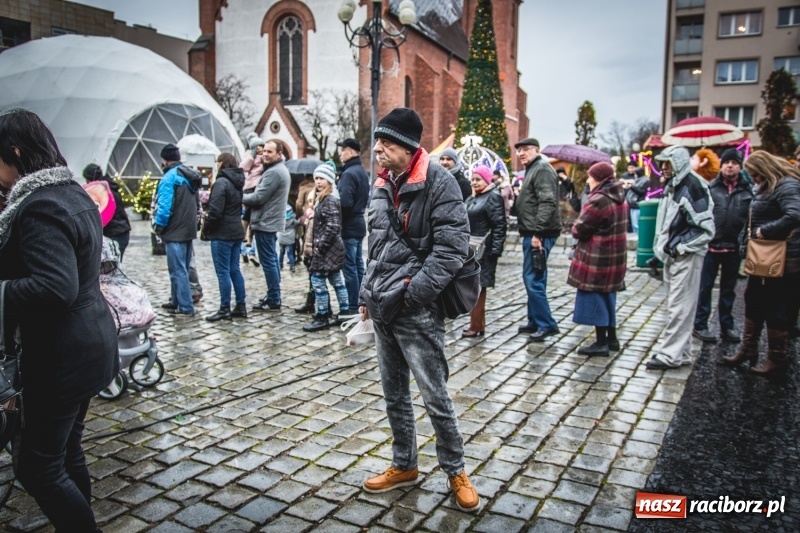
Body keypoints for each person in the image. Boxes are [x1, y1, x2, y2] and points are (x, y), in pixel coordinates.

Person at [0, 108, 117, 531]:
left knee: (36, 466)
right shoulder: (71, 192)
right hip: (90, 345)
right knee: (67, 453)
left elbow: (54, 287)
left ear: (14, 151)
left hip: (62, 355)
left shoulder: (40, 205)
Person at [359, 107, 480, 512]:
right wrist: (366, 294)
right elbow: (374, 246)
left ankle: (456, 470)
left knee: (434, 396)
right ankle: (404, 464)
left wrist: (413, 295)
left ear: (409, 148)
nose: (378, 149)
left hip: (415, 310)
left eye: (387, 143)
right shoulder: (380, 184)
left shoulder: (440, 182)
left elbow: (451, 250)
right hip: (382, 307)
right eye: (377, 141)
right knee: (394, 394)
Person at [721, 150, 800, 374]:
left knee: (775, 305)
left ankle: (777, 357)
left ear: (765, 169)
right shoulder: (764, 187)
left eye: (755, 175)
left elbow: (795, 215)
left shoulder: (787, 185)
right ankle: (748, 348)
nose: (753, 179)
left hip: (781, 257)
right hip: (761, 255)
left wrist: (765, 231)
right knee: (753, 298)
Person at [645, 145, 714, 370]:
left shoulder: (692, 186)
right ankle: (680, 352)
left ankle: (670, 355)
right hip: (674, 255)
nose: (663, 168)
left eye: (667, 163)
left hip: (686, 257)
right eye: (662, 163)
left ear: (678, 163)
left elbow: (705, 228)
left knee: (680, 305)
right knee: (678, 304)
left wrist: (680, 247)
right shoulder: (674, 186)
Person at [692, 149, 752, 343]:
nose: (730, 166)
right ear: (721, 165)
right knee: (705, 288)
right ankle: (700, 325)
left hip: (733, 248)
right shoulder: (712, 188)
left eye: (734, 162)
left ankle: (727, 326)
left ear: (740, 166)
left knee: (728, 290)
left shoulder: (747, 191)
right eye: (727, 162)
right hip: (711, 247)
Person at [568, 162, 628, 356]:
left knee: (595, 299)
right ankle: (612, 339)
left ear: (599, 179)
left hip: (597, 258)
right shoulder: (620, 197)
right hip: (614, 258)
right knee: (608, 296)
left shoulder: (599, 199)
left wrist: (576, 224)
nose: (588, 179)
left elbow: (580, 229)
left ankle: (601, 342)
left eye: (590, 176)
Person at [512, 137, 562, 341]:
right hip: (534, 232)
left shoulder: (541, 169)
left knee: (533, 279)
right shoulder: (534, 168)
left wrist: (538, 233)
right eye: (519, 150)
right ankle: (534, 320)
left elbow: (547, 202)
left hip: (538, 234)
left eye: (526, 149)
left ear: (537, 150)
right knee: (534, 277)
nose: (521, 153)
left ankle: (546, 324)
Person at [153, 143, 201, 317]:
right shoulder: (189, 175)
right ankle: (175, 301)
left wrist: (159, 227)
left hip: (174, 231)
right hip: (188, 230)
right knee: (184, 268)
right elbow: (197, 204)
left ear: (165, 160)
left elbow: (164, 208)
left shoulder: (168, 178)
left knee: (177, 270)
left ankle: (186, 307)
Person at [242, 140, 291, 311]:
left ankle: (273, 299)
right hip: (269, 221)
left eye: (269, 152)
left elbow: (258, 198)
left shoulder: (274, 173)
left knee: (268, 261)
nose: (265, 154)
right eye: (264, 152)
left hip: (265, 222)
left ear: (279, 154)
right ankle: (273, 295)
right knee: (271, 260)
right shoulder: (276, 170)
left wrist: (239, 197)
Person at [303, 164, 349, 332]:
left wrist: (319, 246)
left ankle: (322, 315)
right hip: (332, 249)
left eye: (322, 178)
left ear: (329, 180)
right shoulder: (324, 198)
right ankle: (344, 312)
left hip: (327, 250)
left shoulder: (329, 200)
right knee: (337, 281)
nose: (318, 182)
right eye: (316, 178)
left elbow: (333, 226)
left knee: (317, 281)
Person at [463, 165, 507, 337]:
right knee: (473, 287)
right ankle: (476, 324)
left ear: (487, 180)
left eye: (478, 179)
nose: (474, 182)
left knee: (478, 288)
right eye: (472, 179)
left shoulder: (492, 197)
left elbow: (499, 225)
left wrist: (495, 251)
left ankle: (476, 325)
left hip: (484, 251)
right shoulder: (473, 198)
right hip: (472, 248)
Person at [203, 152, 248, 322]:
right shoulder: (237, 182)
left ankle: (224, 308)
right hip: (236, 230)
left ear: (221, 163)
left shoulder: (221, 182)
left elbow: (215, 211)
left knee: (223, 272)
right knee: (234, 269)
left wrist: (207, 228)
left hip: (222, 233)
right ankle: (241, 305)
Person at [336, 138, 370, 316]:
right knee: (357, 266)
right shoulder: (361, 171)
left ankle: (352, 306)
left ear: (350, 152)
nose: (340, 154)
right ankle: (361, 302)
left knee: (350, 267)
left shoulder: (349, 173)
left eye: (342, 150)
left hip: (349, 225)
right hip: (358, 224)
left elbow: (346, 202)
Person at [82, 163, 131, 258]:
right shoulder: (109, 188)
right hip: (121, 232)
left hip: (114, 234)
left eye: (87, 180)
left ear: (90, 179)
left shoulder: (101, 193)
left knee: (111, 269)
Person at [239, 133, 266, 266]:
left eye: (262, 146)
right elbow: (243, 167)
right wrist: (253, 155)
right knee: (247, 213)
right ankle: (245, 238)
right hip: (251, 186)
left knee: (251, 215)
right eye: (258, 147)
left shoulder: (264, 156)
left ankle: (248, 241)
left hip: (257, 186)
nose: (261, 149)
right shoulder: (250, 156)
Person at [626, 167, 649, 234]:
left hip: (637, 204)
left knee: (637, 225)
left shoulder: (645, 181)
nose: (635, 175)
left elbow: (642, 192)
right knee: (634, 224)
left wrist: (631, 187)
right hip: (632, 204)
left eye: (636, 173)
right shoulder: (636, 180)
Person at [278, 202, 299, 272]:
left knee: (281, 252)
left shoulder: (280, 220)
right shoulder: (293, 220)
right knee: (290, 253)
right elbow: (298, 223)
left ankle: (280, 265)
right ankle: (292, 266)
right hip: (290, 238)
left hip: (281, 238)